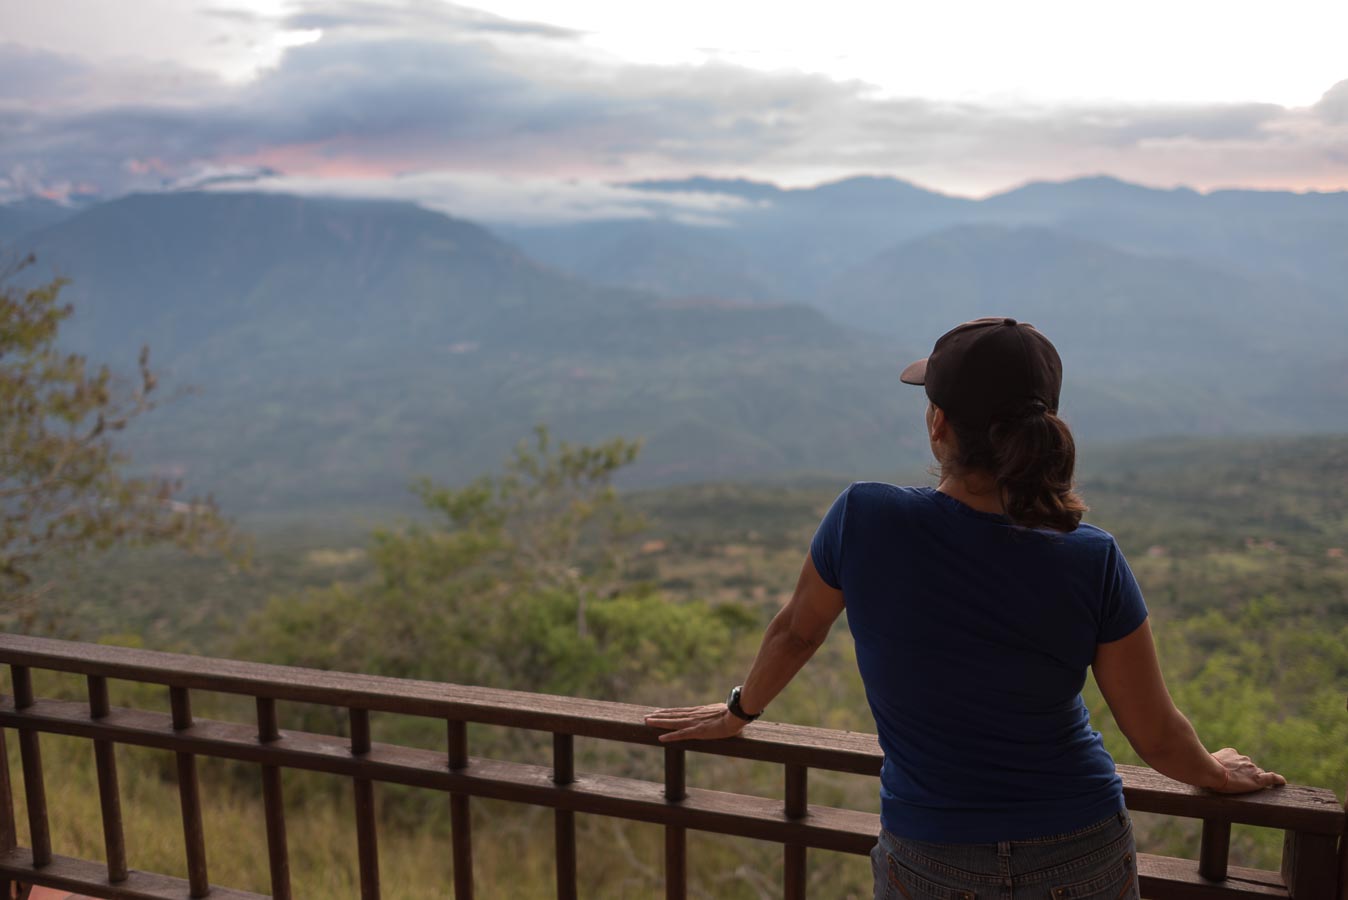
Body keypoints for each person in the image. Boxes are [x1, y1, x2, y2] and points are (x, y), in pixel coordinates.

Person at [645, 317, 1285, 899]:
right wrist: (1215, 773)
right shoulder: (1092, 557)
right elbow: (1156, 733)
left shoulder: (865, 517)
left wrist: (740, 710)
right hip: (1080, 846)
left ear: (938, 423)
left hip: (932, 854)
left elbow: (795, 633)